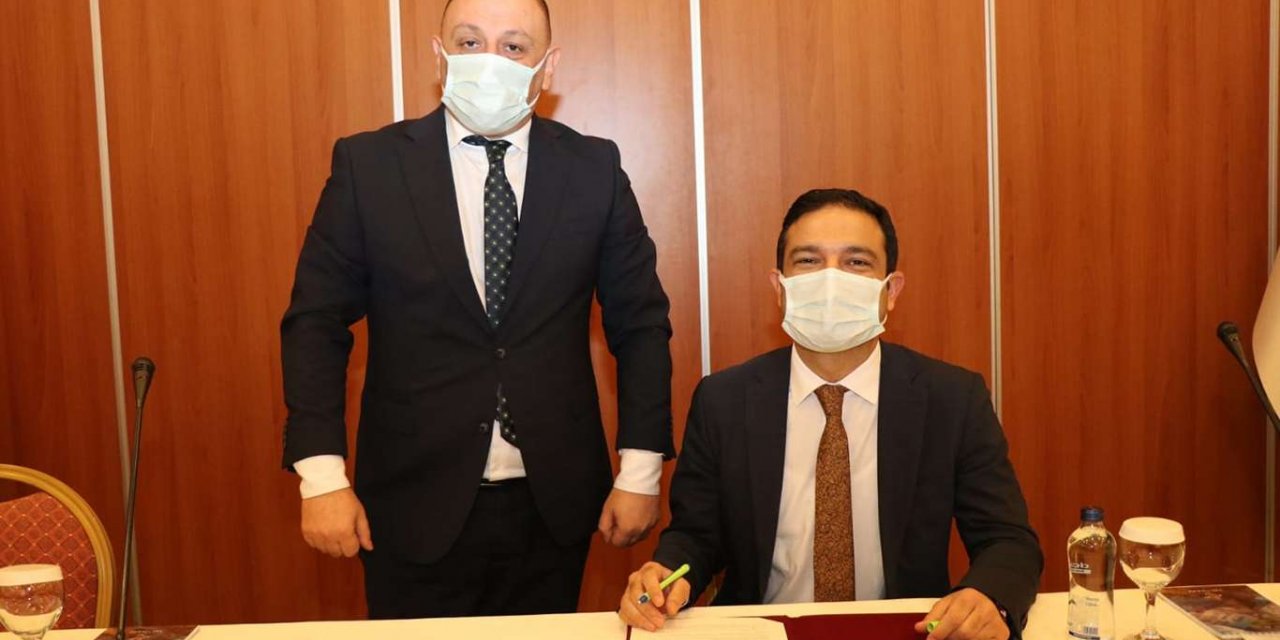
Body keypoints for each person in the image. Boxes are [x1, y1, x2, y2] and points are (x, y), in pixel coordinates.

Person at [281, 0, 674, 618]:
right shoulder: (370, 166)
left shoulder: (594, 169)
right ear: (439, 56)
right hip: (409, 504)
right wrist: (322, 478)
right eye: (469, 43)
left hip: (554, 505)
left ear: (547, 66)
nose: (490, 60)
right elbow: (316, 323)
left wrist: (641, 473)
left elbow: (641, 325)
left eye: (514, 46)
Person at [618, 189, 1042, 640]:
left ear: (891, 291)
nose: (831, 279)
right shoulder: (723, 400)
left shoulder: (952, 398)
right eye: (808, 261)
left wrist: (988, 596)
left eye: (856, 262)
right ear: (779, 289)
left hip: (905, 630)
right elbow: (697, 536)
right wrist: (665, 575)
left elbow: (1007, 541)